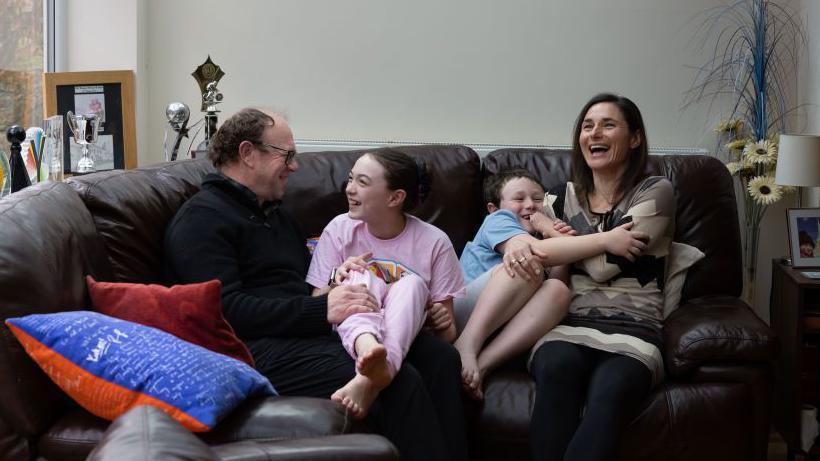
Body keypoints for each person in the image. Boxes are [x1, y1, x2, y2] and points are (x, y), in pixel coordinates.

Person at [164, 108, 467, 461]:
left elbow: (305, 290)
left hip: (299, 334)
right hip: (249, 349)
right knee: (399, 381)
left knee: (440, 358)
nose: (294, 166)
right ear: (247, 153)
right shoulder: (201, 220)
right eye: (287, 155)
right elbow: (226, 310)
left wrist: (340, 283)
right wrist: (323, 309)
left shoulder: (276, 216)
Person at [528, 93, 676, 460]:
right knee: (554, 368)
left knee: (612, 387)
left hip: (636, 328)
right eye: (588, 125)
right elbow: (543, 261)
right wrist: (607, 238)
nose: (595, 132)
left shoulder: (656, 191)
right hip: (568, 322)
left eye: (609, 124)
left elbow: (601, 267)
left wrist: (554, 232)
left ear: (635, 138)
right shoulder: (559, 195)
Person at [454, 169, 649, 400]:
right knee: (526, 262)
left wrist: (554, 237)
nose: (530, 205)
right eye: (518, 199)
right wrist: (605, 239)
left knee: (558, 291)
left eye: (538, 199)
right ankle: (465, 344)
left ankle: (483, 365)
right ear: (493, 208)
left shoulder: (543, 238)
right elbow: (533, 253)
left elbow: (551, 297)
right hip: (465, 314)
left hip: (504, 328)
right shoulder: (497, 221)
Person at [306, 149, 464, 419]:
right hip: (350, 337)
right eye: (350, 178)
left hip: (409, 337)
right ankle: (372, 360)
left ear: (395, 197)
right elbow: (315, 304)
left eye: (362, 182)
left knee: (442, 354)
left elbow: (448, 334)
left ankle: (372, 378)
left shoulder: (434, 242)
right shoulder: (339, 229)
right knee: (361, 275)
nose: (349, 189)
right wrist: (337, 277)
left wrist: (440, 321)